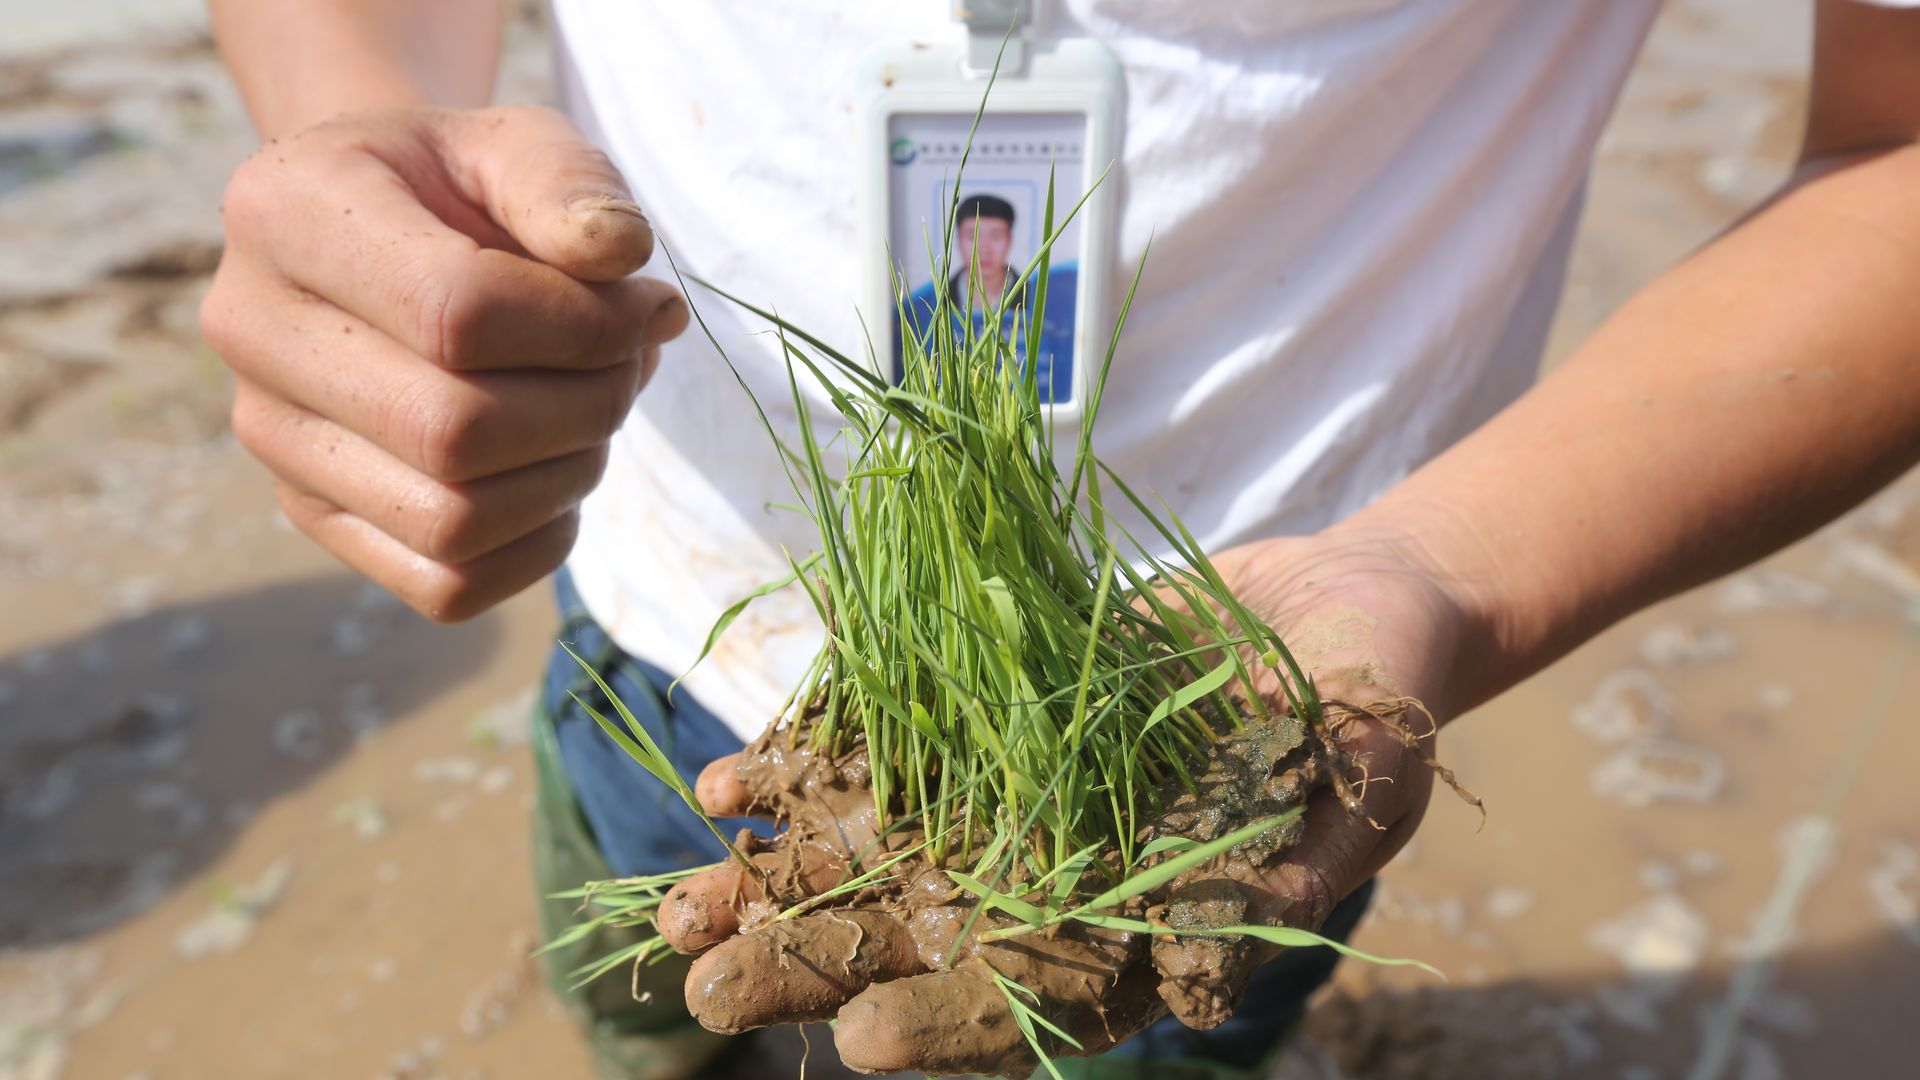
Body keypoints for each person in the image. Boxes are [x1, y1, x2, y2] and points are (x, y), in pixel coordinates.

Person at [199, 1, 1920, 1077]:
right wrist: (358, 119)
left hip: (1223, 750)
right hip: (651, 599)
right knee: (656, 1016)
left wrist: (1442, 573)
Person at [896, 192, 1079, 402]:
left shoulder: (1045, 306)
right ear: (958, 240)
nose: (983, 248)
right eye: (972, 236)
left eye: (996, 236)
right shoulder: (923, 308)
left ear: (1010, 239)